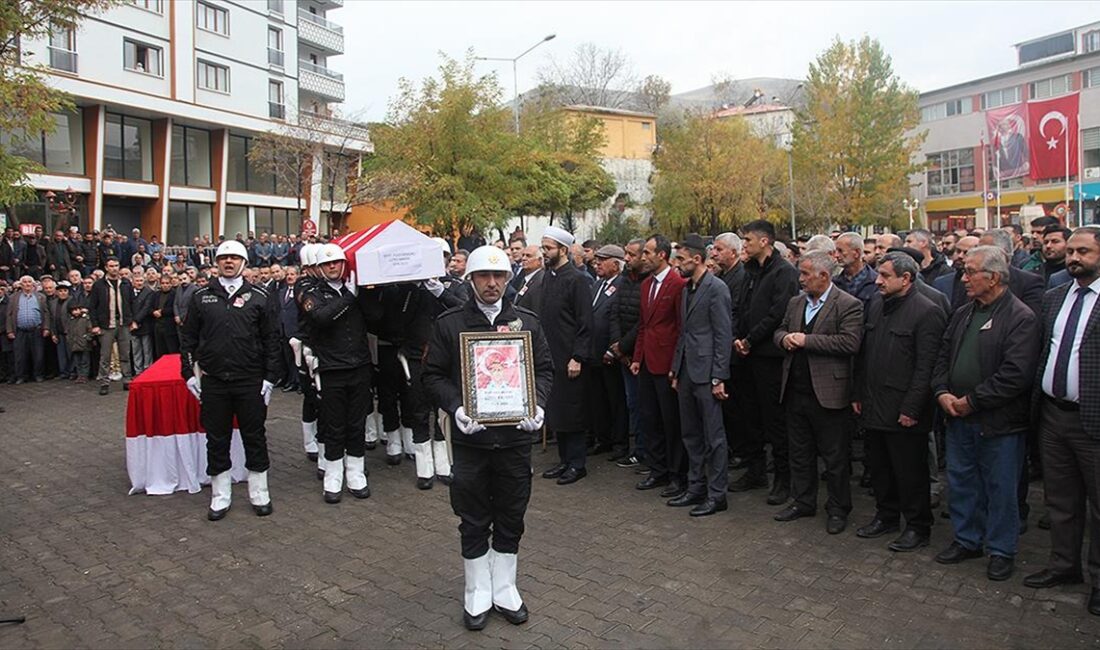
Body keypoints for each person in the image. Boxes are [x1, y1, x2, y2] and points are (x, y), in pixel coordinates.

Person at [422, 244, 554, 631]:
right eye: (484, 276)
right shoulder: (449, 324)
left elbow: (544, 370)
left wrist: (538, 407)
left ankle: (505, 587)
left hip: (514, 440)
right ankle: (477, 590)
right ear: (471, 280)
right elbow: (433, 376)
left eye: (499, 276)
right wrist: (456, 408)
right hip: (471, 441)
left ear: (508, 279)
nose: (492, 283)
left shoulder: (527, 323)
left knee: (512, 513)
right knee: (473, 515)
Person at [931, 246, 1040, 581]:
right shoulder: (964, 312)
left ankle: (1001, 549)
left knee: (1001, 487)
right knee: (962, 481)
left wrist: (972, 401)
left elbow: (1015, 375)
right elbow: (943, 355)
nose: (963, 279)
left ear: (993, 277)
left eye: (970, 272)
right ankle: (967, 539)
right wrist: (942, 392)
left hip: (998, 423)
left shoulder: (1021, 317)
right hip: (958, 416)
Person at [1024, 227, 1100, 616]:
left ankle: (1099, 580)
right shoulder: (1055, 297)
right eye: (1070, 251)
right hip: (1054, 415)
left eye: (1083, 251)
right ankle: (1063, 566)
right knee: (1061, 498)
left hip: (1093, 420)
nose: (1073, 258)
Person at [180, 239, 281, 520]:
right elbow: (187, 339)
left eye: (235, 258)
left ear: (243, 263)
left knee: (254, 436)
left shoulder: (260, 296)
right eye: (224, 258)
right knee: (216, 438)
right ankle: (220, 496)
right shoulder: (201, 297)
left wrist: (270, 378)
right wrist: (188, 374)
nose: (229, 262)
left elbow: (272, 340)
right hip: (214, 382)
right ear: (216, 263)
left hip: (250, 381)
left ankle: (260, 493)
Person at [854, 252, 946, 551]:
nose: (877, 281)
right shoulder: (878, 304)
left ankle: (918, 526)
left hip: (904, 410)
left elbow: (926, 367)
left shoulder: (927, 311)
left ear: (905, 279)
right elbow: (865, 354)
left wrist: (912, 408)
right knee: (880, 468)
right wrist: (858, 393)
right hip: (874, 403)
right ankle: (887, 515)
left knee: (910, 472)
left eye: (884, 276)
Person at [772, 251, 863, 534]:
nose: (800, 279)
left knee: (834, 457)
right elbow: (780, 331)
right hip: (796, 391)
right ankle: (803, 501)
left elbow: (850, 342)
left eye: (805, 274)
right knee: (800, 452)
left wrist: (806, 340)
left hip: (828, 394)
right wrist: (784, 338)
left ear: (824, 276)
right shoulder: (796, 302)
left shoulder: (848, 304)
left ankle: (837, 508)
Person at [299, 243, 375, 503]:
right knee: (333, 424)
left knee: (357, 422)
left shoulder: (355, 291)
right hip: (332, 368)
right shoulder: (312, 292)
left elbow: (377, 317)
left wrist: (368, 292)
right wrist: (349, 298)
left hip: (359, 366)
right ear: (319, 268)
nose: (333, 267)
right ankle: (333, 474)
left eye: (337, 262)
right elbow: (320, 317)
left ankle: (355, 472)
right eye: (327, 264)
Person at [733, 220, 801, 504]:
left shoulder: (784, 272)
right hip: (746, 354)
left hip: (769, 356)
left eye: (747, 240)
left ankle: (784, 480)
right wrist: (739, 337)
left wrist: (750, 339)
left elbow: (777, 313)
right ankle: (755, 469)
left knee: (775, 420)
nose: (744, 245)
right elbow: (741, 307)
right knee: (749, 416)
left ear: (764, 241)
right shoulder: (749, 271)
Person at [668, 234, 732, 516]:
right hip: (686, 373)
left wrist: (719, 376)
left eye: (681, 259)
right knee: (691, 434)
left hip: (707, 375)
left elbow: (723, 334)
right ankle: (695, 487)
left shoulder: (716, 288)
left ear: (697, 259)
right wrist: (675, 368)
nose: (676, 264)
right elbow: (685, 333)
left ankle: (717, 494)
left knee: (714, 437)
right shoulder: (686, 289)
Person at [632, 234, 689, 497]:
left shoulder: (678, 284)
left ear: (662, 255)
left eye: (648, 252)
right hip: (646, 363)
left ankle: (677, 475)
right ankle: (658, 470)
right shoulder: (645, 285)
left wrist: (676, 366)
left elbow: (680, 328)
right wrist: (636, 357)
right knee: (650, 418)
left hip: (666, 364)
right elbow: (644, 326)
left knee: (671, 422)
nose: (644, 257)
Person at [538, 226, 594, 485]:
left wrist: (578, 357)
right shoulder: (548, 276)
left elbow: (585, 322)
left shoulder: (577, 279)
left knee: (573, 411)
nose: (544, 252)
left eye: (548, 248)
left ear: (563, 250)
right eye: (543, 247)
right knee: (557, 411)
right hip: (551, 356)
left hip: (570, 357)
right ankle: (563, 461)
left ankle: (577, 464)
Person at [609, 238, 648, 468]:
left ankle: (644, 451)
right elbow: (614, 312)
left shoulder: (648, 281)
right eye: (626, 253)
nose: (626, 258)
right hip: (623, 354)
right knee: (631, 403)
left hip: (639, 353)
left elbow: (644, 320)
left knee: (643, 405)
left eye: (631, 254)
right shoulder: (625, 279)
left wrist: (624, 346)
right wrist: (617, 345)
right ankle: (637, 449)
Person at [586, 245, 628, 459]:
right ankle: (603, 439)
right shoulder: (597, 285)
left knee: (615, 400)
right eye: (597, 259)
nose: (597, 263)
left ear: (616, 263)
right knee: (598, 400)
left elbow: (618, 319)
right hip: (593, 353)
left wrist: (613, 349)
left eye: (603, 260)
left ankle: (620, 442)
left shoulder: (622, 285)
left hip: (610, 353)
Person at [87, 257, 134, 395]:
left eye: (116, 265)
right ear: (106, 267)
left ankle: (127, 380)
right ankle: (104, 382)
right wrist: (95, 325)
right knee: (105, 356)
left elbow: (132, 303)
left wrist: (132, 320)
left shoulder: (126, 283)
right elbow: (92, 306)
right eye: (111, 266)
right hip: (106, 325)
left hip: (123, 324)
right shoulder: (99, 285)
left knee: (125, 354)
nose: (114, 268)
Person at [5, 275, 49, 383]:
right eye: (24, 282)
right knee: (20, 356)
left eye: (29, 282)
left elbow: (46, 313)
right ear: (21, 285)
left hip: (37, 330)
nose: (27, 284)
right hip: (20, 331)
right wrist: (9, 330)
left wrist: (46, 328)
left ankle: (38, 375)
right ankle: (21, 376)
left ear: (33, 284)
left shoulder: (41, 297)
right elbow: (9, 315)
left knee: (38, 355)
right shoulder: (13, 297)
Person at [834, 232, 878, 315]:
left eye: (840, 251)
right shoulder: (834, 283)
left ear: (856, 253)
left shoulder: (876, 283)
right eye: (836, 251)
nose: (836, 255)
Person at [130, 273, 155, 375]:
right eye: (137, 281)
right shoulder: (129, 292)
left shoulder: (149, 292)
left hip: (145, 325)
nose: (139, 283)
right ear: (133, 282)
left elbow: (146, 308)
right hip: (132, 326)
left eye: (141, 281)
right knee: (136, 350)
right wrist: (131, 321)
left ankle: (147, 371)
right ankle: (138, 371)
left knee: (147, 350)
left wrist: (136, 321)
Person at [152, 274, 178, 358]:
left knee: (172, 351)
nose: (165, 285)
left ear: (171, 283)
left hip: (170, 327)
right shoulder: (156, 294)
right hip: (158, 326)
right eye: (163, 283)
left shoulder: (175, 294)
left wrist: (162, 312)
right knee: (160, 352)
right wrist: (154, 312)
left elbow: (175, 308)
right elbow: (150, 307)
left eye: (167, 283)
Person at [513, 245, 545, 314]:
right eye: (523, 255)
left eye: (528, 256)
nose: (524, 258)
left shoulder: (540, 281)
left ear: (539, 260)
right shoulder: (525, 279)